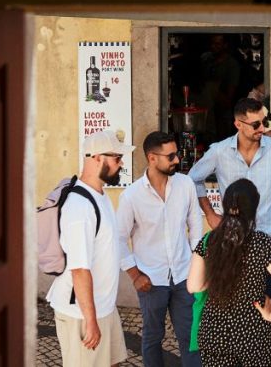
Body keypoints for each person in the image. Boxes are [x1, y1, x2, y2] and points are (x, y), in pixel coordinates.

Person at [188, 97, 271, 365]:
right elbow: (193, 178)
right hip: (231, 244)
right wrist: (211, 215)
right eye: (257, 124)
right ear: (238, 124)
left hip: (269, 243)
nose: (264, 128)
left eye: (266, 121)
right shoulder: (219, 151)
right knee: (231, 305)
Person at [187, 179, 271, 367]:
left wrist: (214, 278)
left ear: (224, 204)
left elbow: (193, 286)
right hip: (255, 334)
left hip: (215, 332)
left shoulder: (209, 241)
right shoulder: (261, 243)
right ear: (254, 208)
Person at [116, 131, 202, 367]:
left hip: (184, 276)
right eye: (171, 156)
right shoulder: (131, 196)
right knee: (153, 337)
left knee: (190, 337)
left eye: (177, 154)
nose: (177, 160)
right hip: (150, 280)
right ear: (152, 158)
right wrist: (135, 275)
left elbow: (195, 226)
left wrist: (196, 265)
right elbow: (119, 239)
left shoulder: (185, 185)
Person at [46, 131, 130, 367]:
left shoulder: (99, 195)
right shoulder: (80, 208)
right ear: (96, 158)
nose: (121, 163)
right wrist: (91, 320)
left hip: (103, 307)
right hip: (81, 313)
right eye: (117, 158)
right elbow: (80, 269)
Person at [198, 34, 241, 142]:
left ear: (225, 45)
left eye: (218, 44)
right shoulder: (206, 59)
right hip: (205, 109)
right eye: (212, 43)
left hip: (223, 111)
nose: (214, 46)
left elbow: (229, 97)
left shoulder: (232, 65)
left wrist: (214, 91)